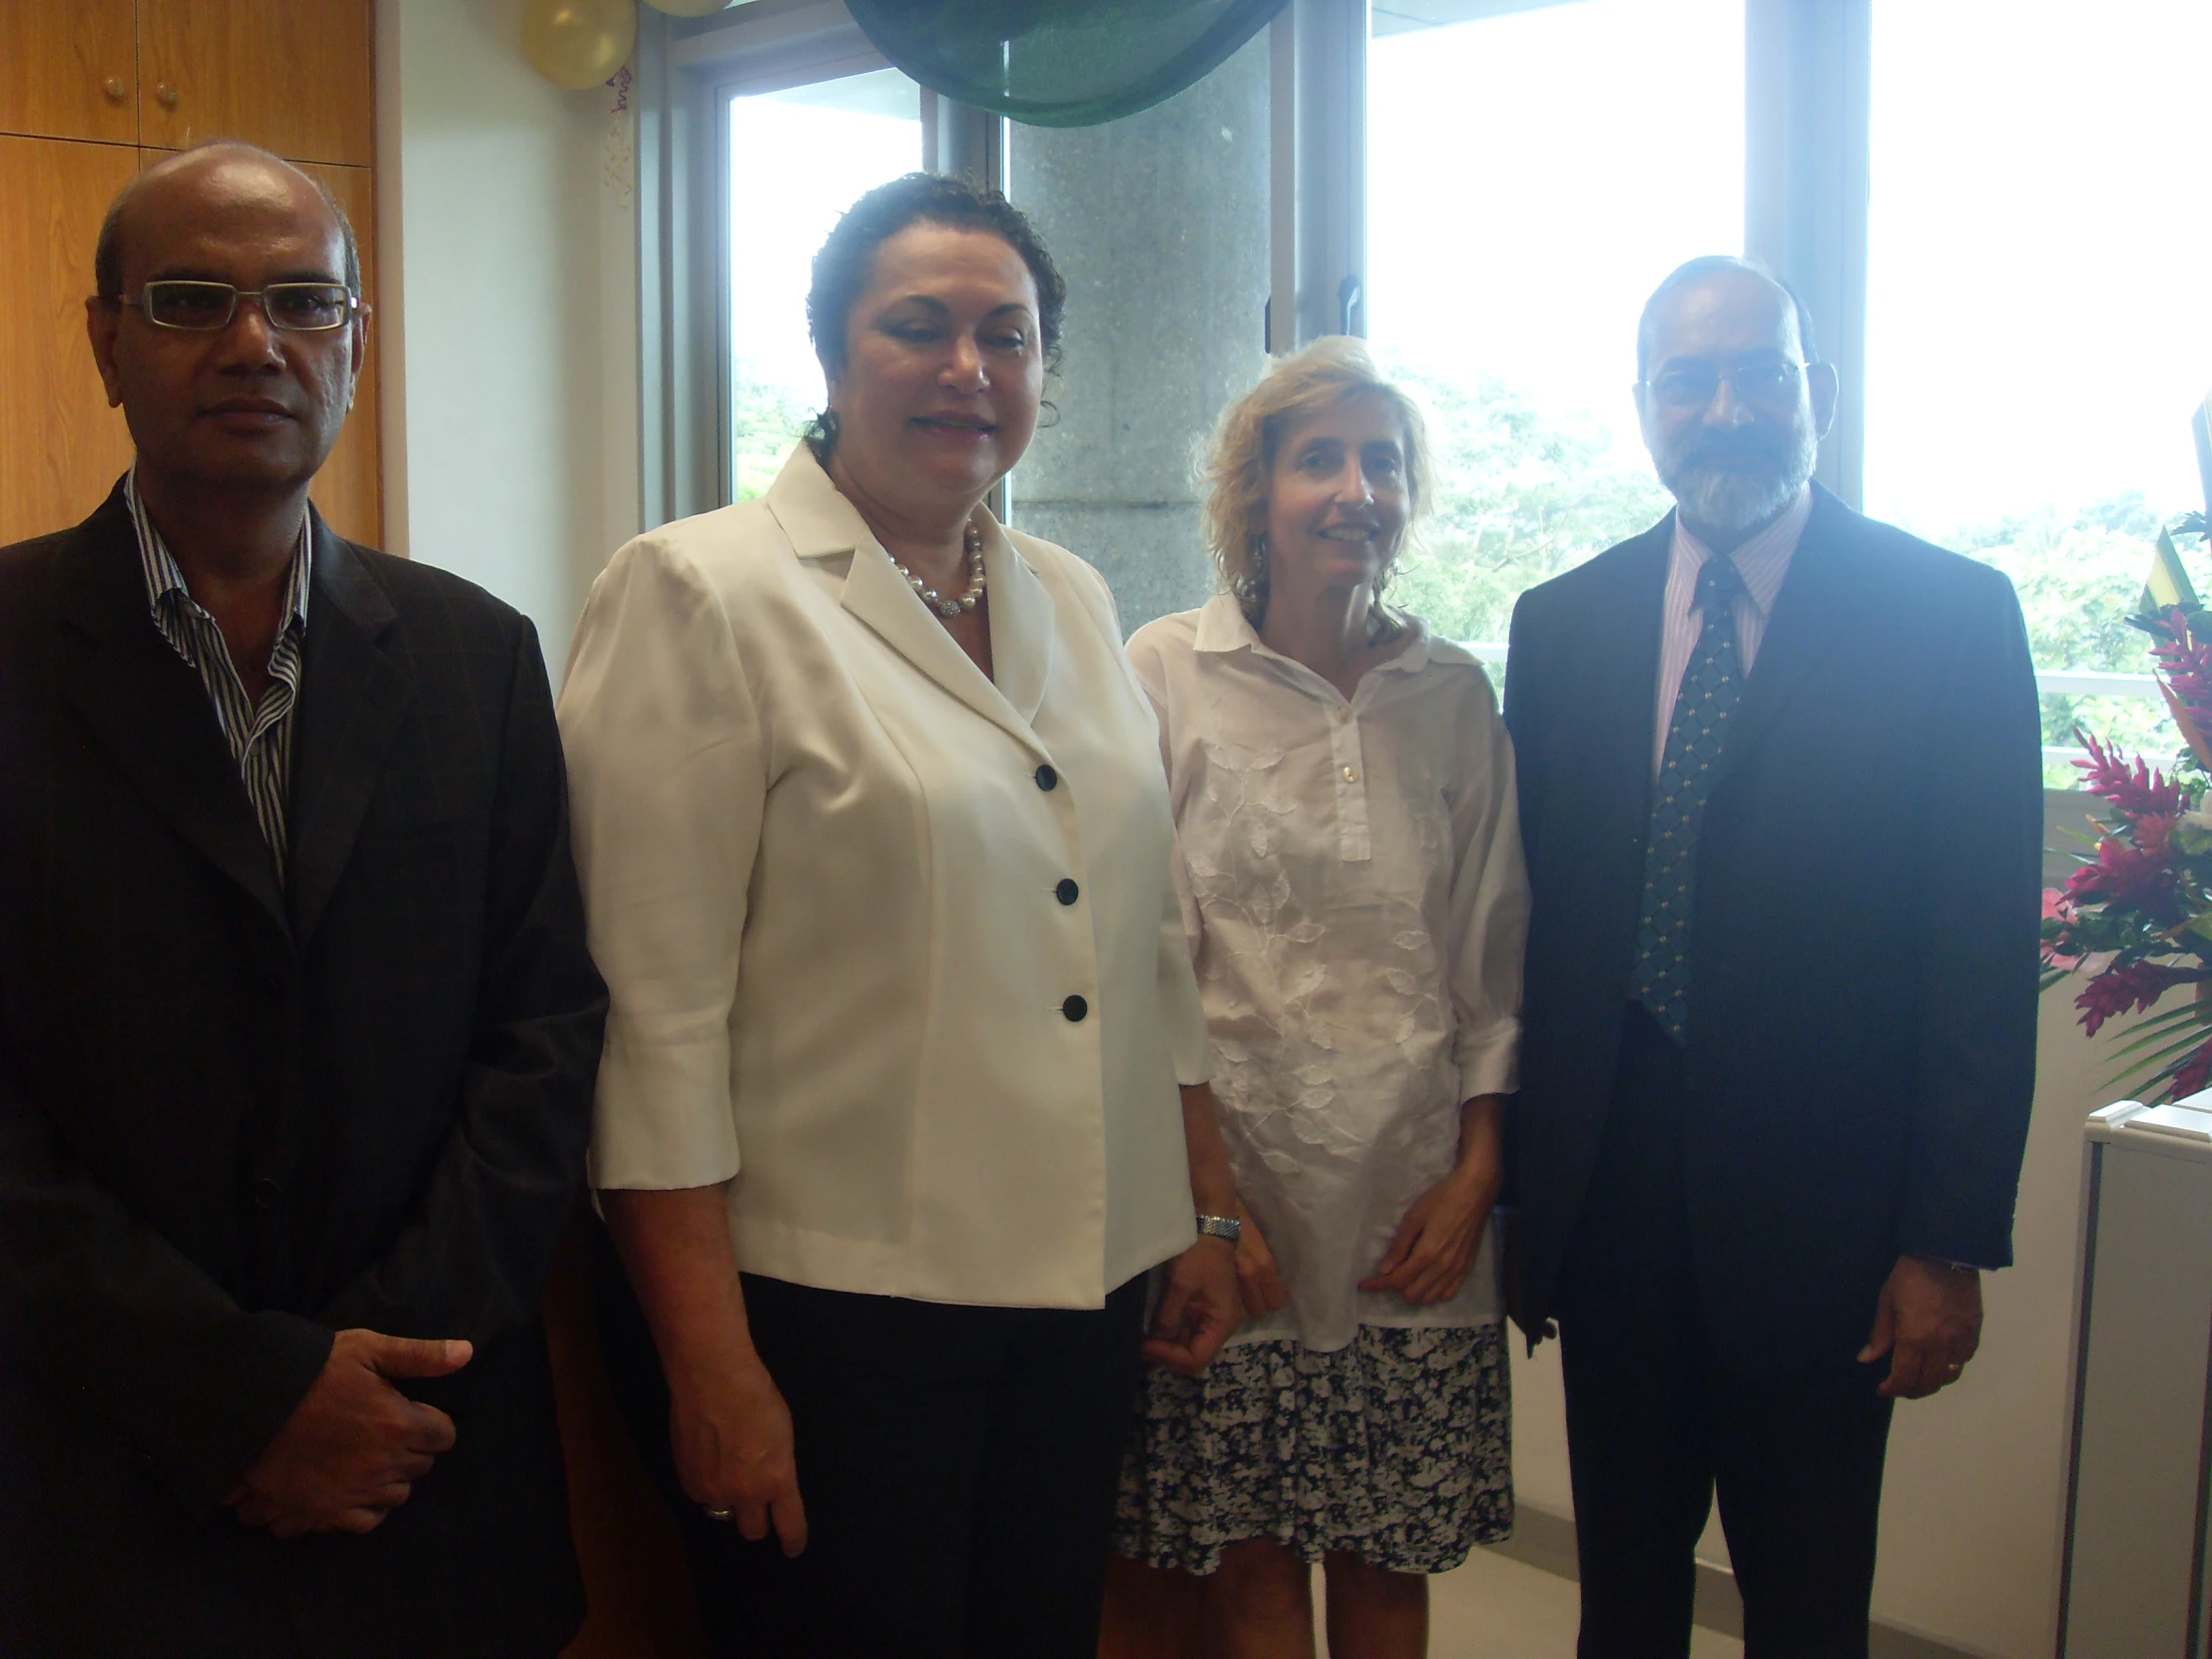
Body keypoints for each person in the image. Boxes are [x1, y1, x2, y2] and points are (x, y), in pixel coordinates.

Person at [557, 172, 1244, 1659]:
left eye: (1009, 335)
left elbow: (1146, 937)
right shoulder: (702, 591)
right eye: (916, 328)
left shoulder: (1067, 587)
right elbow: (649, 1017)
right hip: (830, 1308)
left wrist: (1195, 1206)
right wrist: (708, 1359)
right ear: (831, 355)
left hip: (1077, 1279)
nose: (967, 369)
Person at [0, 143, 608, 1657]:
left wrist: (378, 1381)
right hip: (100, 1479)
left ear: (356, 337)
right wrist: (236, 1396)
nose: (253, 343)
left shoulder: (478, 656)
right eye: (194, 299)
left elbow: (544, 1036)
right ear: (106, 339)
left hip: (428, 1473)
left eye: (301, 302)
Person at [1502, 256, 2042, 1655]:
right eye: (1689, 380)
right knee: (1622, 1598)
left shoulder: (1950, 616)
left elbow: (1978, 953)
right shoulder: (1560, 625)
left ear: (1824, 393)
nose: (1726, 409)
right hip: (1611, 1217)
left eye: (1762, 375)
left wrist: (1947, 1238)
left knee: (1807, 1606)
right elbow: (1534, 927)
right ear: (1644, 406)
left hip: (1830, 1234)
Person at [1108, 337, 1528, 1659]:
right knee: (1248, 1565)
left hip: (1413, 1209)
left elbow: (1494, 958)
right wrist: (1203, 1205)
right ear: (1256, 492)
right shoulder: (1166, 670)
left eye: (1383, 462)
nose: (1357, 489)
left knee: (1388, 1561)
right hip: (1232, 1206)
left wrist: (1476, 1178)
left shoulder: (1452, 691)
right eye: (1320, 459)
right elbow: (1141, 951)